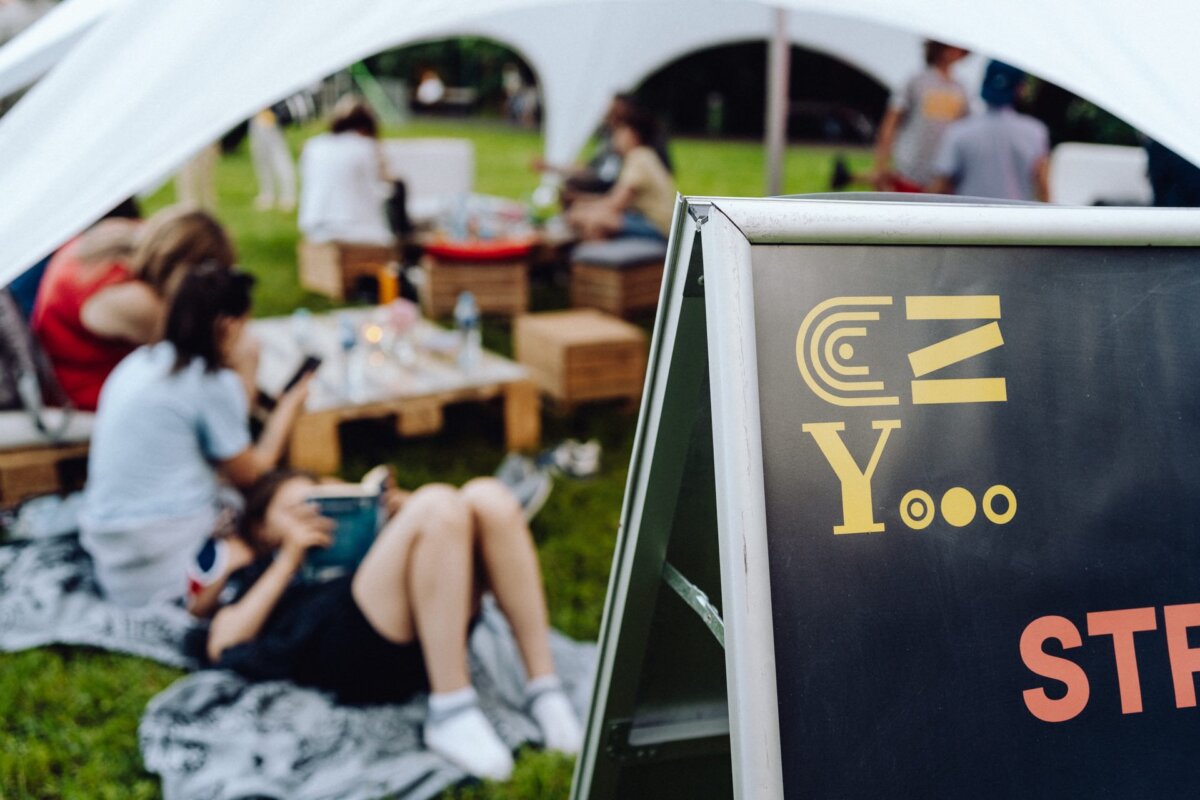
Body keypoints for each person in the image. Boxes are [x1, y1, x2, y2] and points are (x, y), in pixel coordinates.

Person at [191, 469, 584, 781]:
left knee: (489, 497)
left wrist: (396, 514)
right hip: (348, 649)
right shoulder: (257, 572)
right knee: (438, 505)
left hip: (425, 625)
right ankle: (451, 709)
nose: (314, 520)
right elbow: (221, 643)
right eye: (297, 511)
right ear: (260, 529)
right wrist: (288, 559)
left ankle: (544, 689)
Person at [80, 264, 308, 607]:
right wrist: (288, 406)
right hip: (162, 549)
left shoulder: (140, 362)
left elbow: (225, 443)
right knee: (267, 512)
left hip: (111, 551)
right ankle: (218, 572)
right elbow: (252, 474)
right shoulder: (209, 382)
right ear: (229, 326)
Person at [31, 205, 235, 411]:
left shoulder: (121, 235)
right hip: (81, 392)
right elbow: (211, 348)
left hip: (68, 369)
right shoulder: (133, 300)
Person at [928, 61, 1050, 202]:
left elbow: (940, 186)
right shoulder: (1036, 132)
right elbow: (1043, 190)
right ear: (1020, 89)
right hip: (1017, 221)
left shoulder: (959, 132)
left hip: (968, 220)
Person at [872, 40, 970, 192]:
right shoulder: (916, 80)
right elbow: (890, 123)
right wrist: (881, 165)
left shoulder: (961, 89)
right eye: (950, 45)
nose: (954, 50)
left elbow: (964, 132)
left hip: (940, 176)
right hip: (908, 170)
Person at [565, 108, 676, 242]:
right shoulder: (645, 155)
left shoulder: (638, 158)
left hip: (657, 226)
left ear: (632, 135)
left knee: (590, 219)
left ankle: (598, 260)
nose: (615, 138)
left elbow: (615, 203)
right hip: (653, 221)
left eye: (619, 133)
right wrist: (584, 202)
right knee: (585, 213)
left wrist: (583, 204)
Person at [298, 96, 395, 246]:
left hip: (313, 225)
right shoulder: (365, 146)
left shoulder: (313, 145)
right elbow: (378, 190)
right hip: (355, 229)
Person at [249, 107, 297, 211]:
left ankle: (288, 196)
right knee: (262, 161)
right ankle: (267, 194)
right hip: (257, 119)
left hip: (273, 120)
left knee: (281, 160)